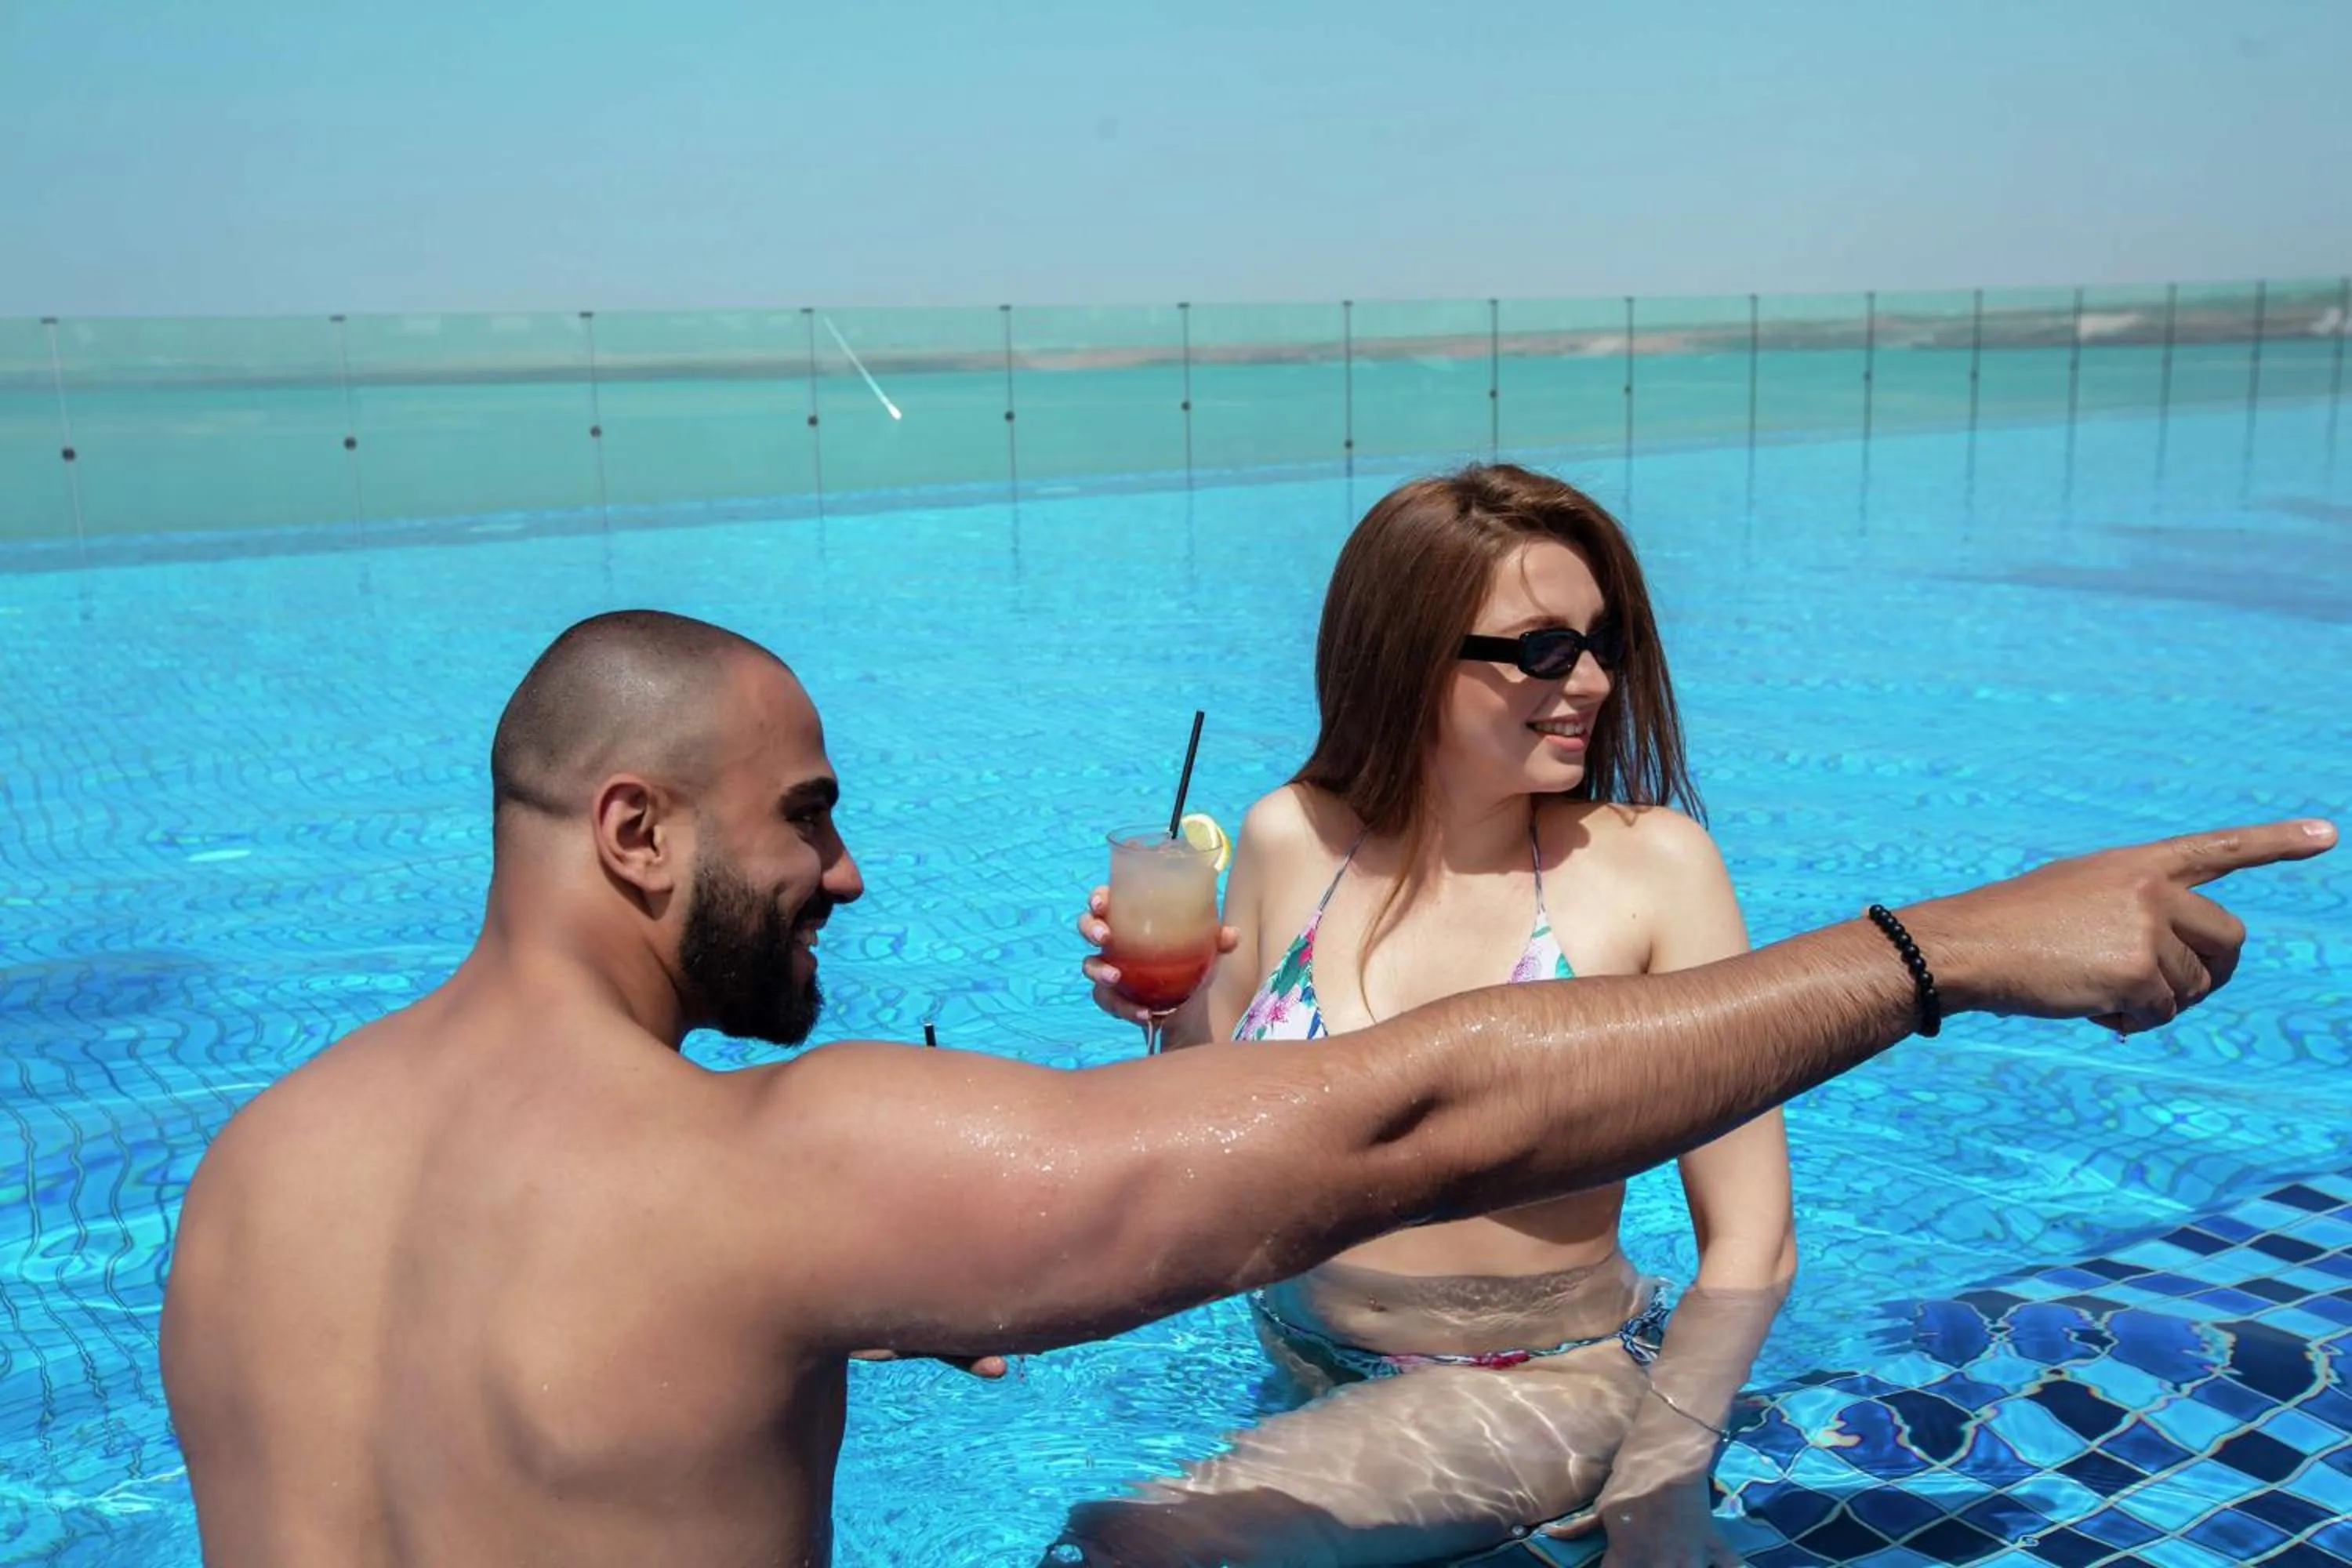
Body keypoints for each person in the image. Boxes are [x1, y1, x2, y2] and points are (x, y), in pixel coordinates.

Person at [157, 608, 2328, 1568]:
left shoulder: (256, 1179)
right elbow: (1393, 1122)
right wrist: (1942, 951)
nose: (846, 868)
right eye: (805, 817)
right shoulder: (751, 1172)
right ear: (635, 834)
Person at [1062, 465, 1780, 1564]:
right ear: (1408, 656)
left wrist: (1666, 1477)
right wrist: (1161, 1007)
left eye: (1603, 641)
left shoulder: (1653, 873)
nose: (1588, 679)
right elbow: (1209, 1128)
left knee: (1133, 1545)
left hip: (1543, 1377)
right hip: (1304, 1350)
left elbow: (1754, 1238)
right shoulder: (1289, 837)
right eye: (1543, 649)